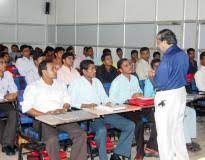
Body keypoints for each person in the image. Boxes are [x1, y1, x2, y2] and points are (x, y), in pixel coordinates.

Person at [68, 60, 135, 160]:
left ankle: (116, 154)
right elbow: (70, 102)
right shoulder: (76, 83)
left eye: (95, 68)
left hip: (103, 111)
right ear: (84, 71)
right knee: (102, 130)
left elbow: (104, 98)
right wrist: (85, 105)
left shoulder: (97, 81)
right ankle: (103, 158)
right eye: (92, 69)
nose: (95, 71)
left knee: (130, 125)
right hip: (89, 114)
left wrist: (108, 103)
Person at [21, 60, 87, 160]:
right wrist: (45, 114)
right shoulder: (33, 87)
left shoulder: (60, 84)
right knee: (52, 139)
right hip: (43, 120)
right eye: (52, 69)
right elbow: (26, 108)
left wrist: (64, 107)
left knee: (81, 134)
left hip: (61, 117)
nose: (56, 70)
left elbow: (67, 100)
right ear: (44, 72)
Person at [149, 29, 189, 160]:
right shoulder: (182, 54)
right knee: (177, 129)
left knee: (164, 131)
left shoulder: (167, 57)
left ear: (165, 41)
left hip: (167, 96)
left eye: (158, 42)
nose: (157, 45)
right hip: (180, 93)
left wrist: (151, 77)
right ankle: (181, 157)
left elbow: (159, 83)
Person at [145, 59, 200, 153]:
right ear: (152, 68)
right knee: (180, 115)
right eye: (156, 66)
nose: (158, 68)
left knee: (191, 112)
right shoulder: (149, 80)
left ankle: (189, 138)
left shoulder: (168, 78)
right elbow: (147, 97)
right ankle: (187, 142)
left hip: (172, 103)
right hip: (159, 106)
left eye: (160, 66)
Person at [109, 58, 158, 160]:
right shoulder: (117, 81)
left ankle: (151, 146)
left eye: (130, 64)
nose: (130, 67)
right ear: (120, 70)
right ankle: (140, 152)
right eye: (126, 65)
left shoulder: (134, 78)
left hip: (138, 105)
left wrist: (139, 94)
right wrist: (129, 98)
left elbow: (139, 91)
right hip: (126, 109)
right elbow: (112, 99)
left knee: (158, 117)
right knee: (139, 122)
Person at [0, 54, 17, 155]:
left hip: (4, 103)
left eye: (4, 62)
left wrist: (13, 95)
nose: (4, 65)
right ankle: (5, 141)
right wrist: (5, 96)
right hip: (4, 99)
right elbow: (5, 95)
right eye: (1, 63)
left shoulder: (8, 74)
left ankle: (7, 144)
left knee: (14, 113)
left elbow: (14, 90)